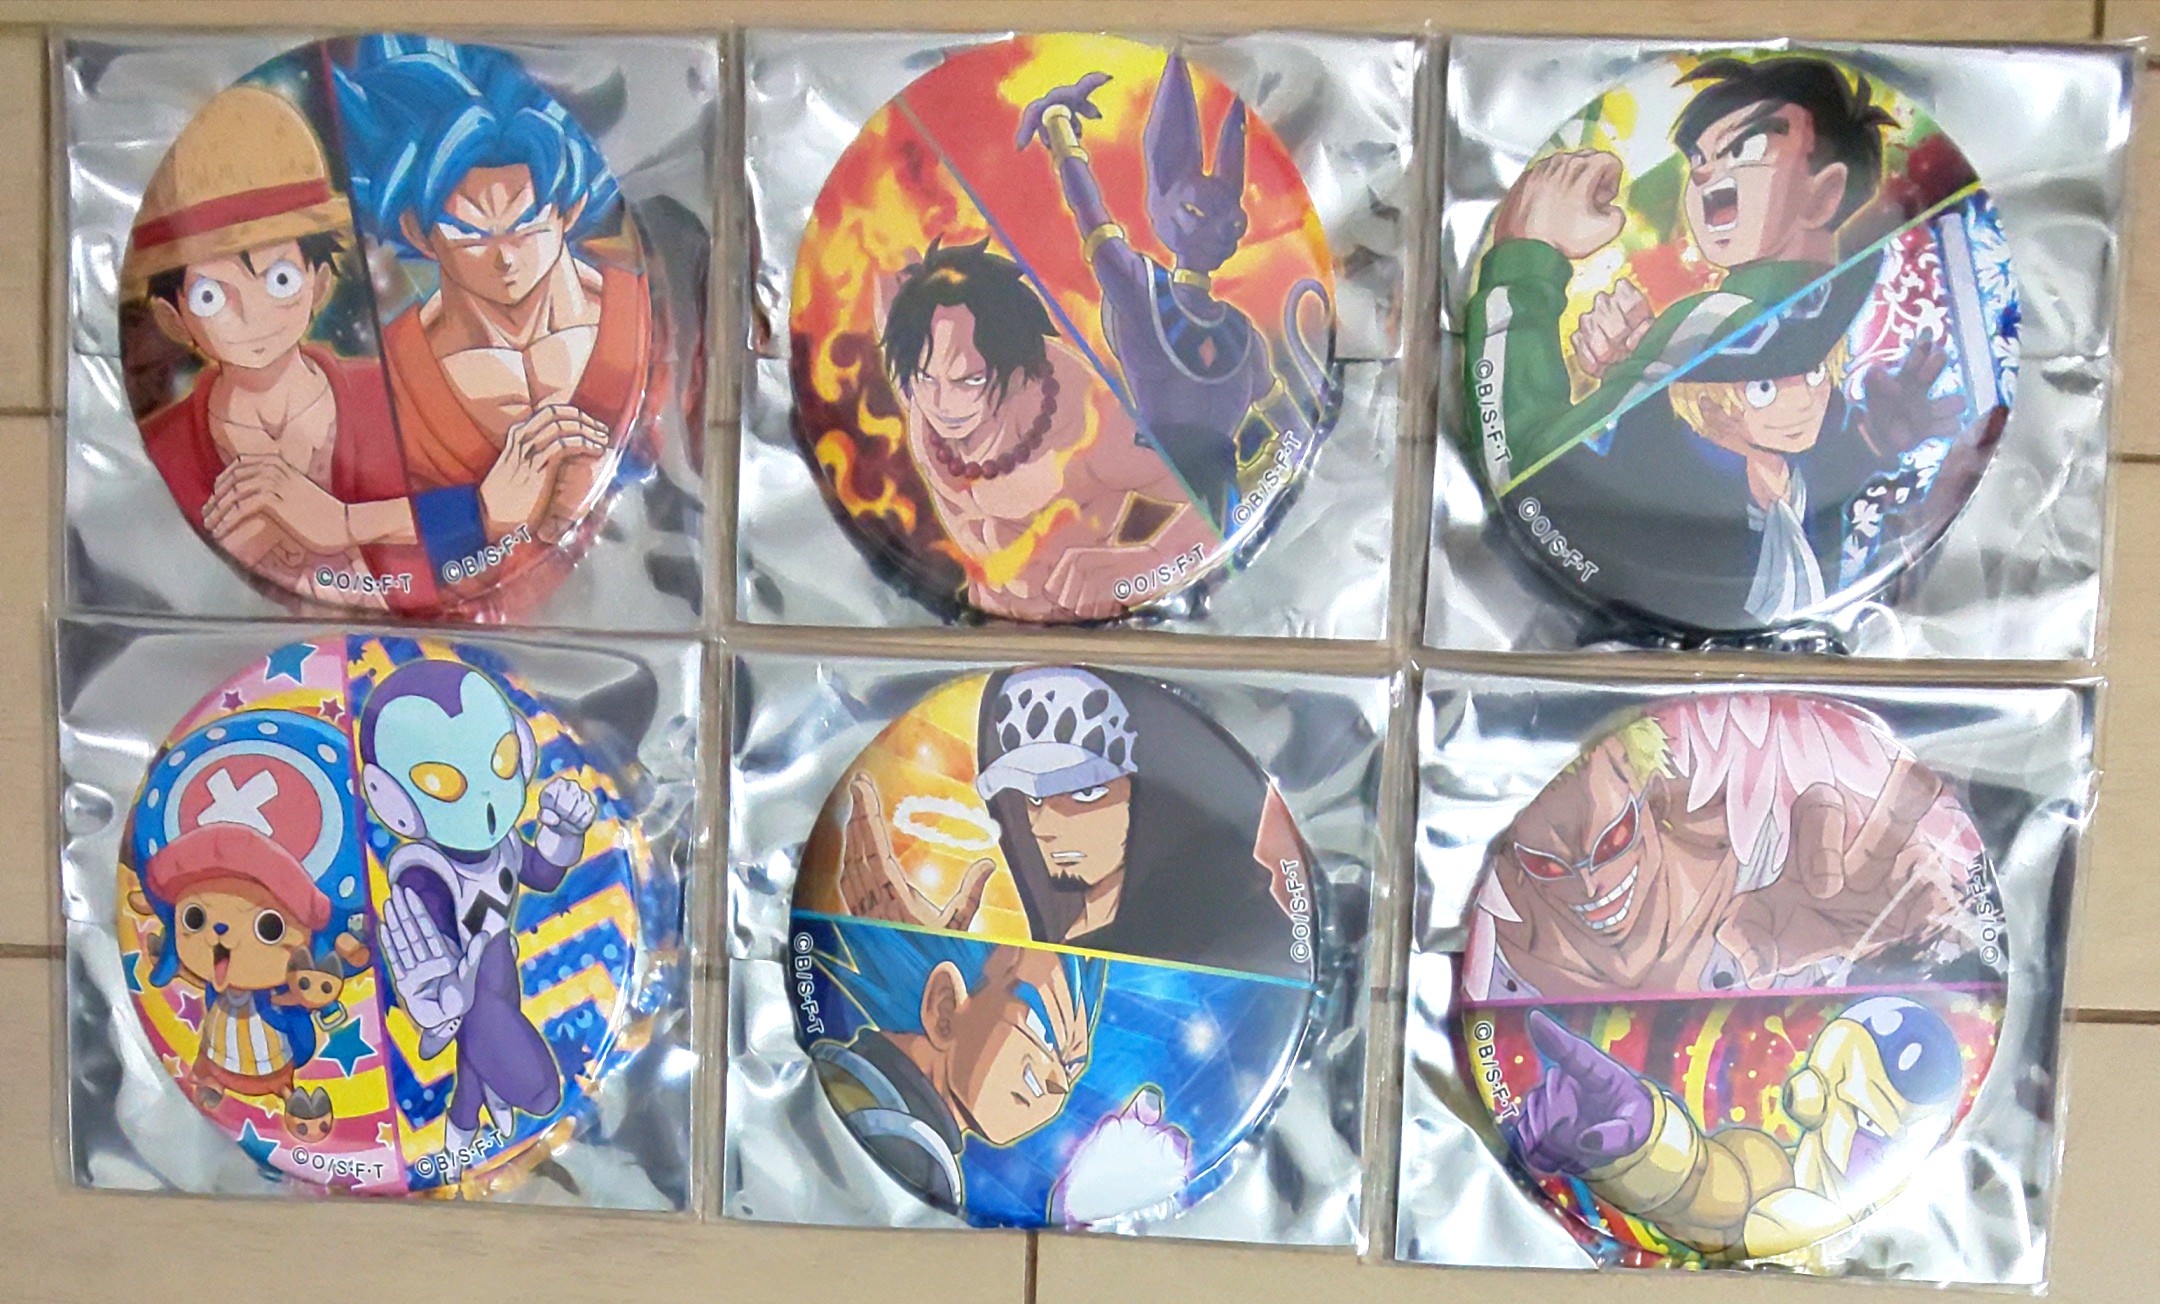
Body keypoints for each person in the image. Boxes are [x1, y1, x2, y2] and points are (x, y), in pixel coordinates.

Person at [1466, 55, 1898, 485]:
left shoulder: (1717, 317)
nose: (1705, 172)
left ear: (1824, 194)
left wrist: (1527, 254)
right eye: (1697, 159)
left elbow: (1523, 468)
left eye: (1746, 149)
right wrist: (1631, 373)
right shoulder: (1845, 297)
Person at [334, 35, 645, 585]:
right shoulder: (392, 380)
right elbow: (368, 569)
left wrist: (616, 472)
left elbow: (693, 473)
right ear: (419, 234)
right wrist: (485, 517)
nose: (505, 256)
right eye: (470, 233)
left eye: (526, 223)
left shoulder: (636, 320)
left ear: (568, 210)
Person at [125, 84, 435, 609]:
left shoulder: (395, 398)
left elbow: (483, 517)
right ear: (173, 319)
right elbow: (144, 579)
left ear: (320, 283)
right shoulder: (161, 450)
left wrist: (343, 523)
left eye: (280, 280)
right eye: (210, 296)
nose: (252, 316)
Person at [1465, 695, 1986, 1000]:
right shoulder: (1505, 959)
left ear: (1646, 790)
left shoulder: (1763, 851)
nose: (1589, 885)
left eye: (1612, 841)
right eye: (1548, 866)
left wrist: (1908, 948)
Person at [837, 667, 1312, 979]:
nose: (1045, 825)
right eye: (1031, 798)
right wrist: (925, 974)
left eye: (1085, 792)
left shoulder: (1243, 932)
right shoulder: (1049, 953)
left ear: (1146, 799)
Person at [878, 238, 1216, 620]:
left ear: (1017, 368)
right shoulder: (917, 373)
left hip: (1098, 633)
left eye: (969, 380)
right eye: (926, 378)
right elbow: (878, 240)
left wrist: (1149, 561)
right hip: (965, 625)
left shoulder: (1090, 433)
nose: (942, 403)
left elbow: (1224, 495)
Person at [1509, 1000, 1965, 1260]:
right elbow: (1702, 1184)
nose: (1881, 1152)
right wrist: (1643, 1144)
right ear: (1811, 1096)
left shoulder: (1938, 1225)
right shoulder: (1766, 1176)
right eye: (1866, 1122)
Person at [810, 933, 1103, 1214]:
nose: (1058, 1084)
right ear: (945, 1009)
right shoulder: (916, 1159)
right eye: (1040, 1033)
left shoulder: (839, 1074)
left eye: (1070, 1069)